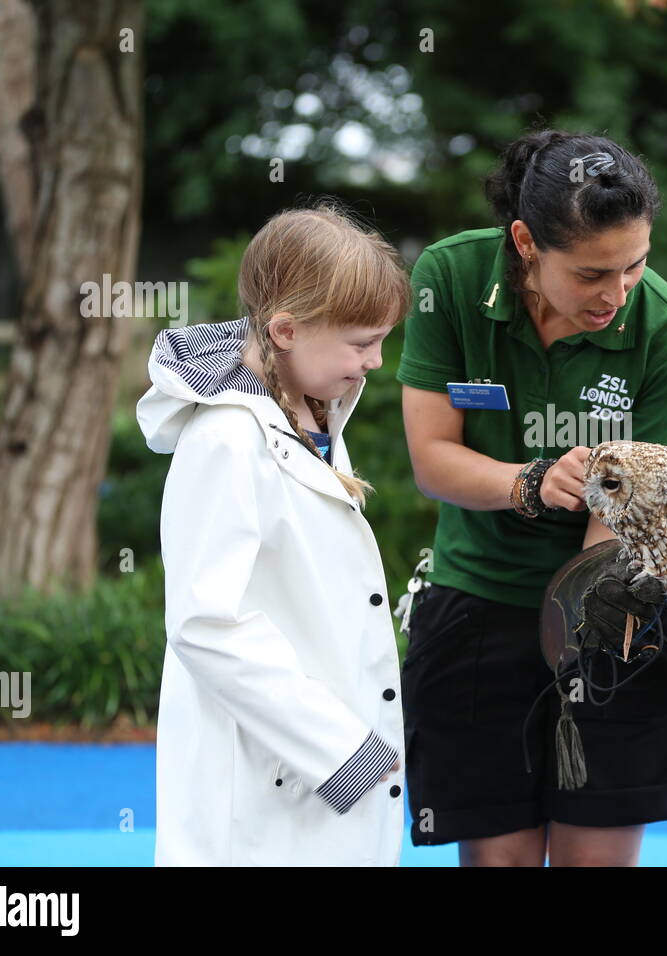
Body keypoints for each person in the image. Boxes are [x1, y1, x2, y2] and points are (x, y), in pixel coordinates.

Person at [396, 129, 667, 866]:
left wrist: (580, 645)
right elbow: (431, 460)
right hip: (477, 599)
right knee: (496, 857)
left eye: (636, 264)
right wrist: (529, 484)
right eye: (594, 273)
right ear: (526, 242)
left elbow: (616, 525)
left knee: (590, 860)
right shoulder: (451, 276)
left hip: (608, 610)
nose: (617, 293)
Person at [136, 202, 410, 865]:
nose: (375, 361)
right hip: (272, 782)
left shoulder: (306, 417)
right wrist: (339, 749)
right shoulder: (226, 440)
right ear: (286, 330)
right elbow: (206, 622)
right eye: (361, 341)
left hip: (314, 774)